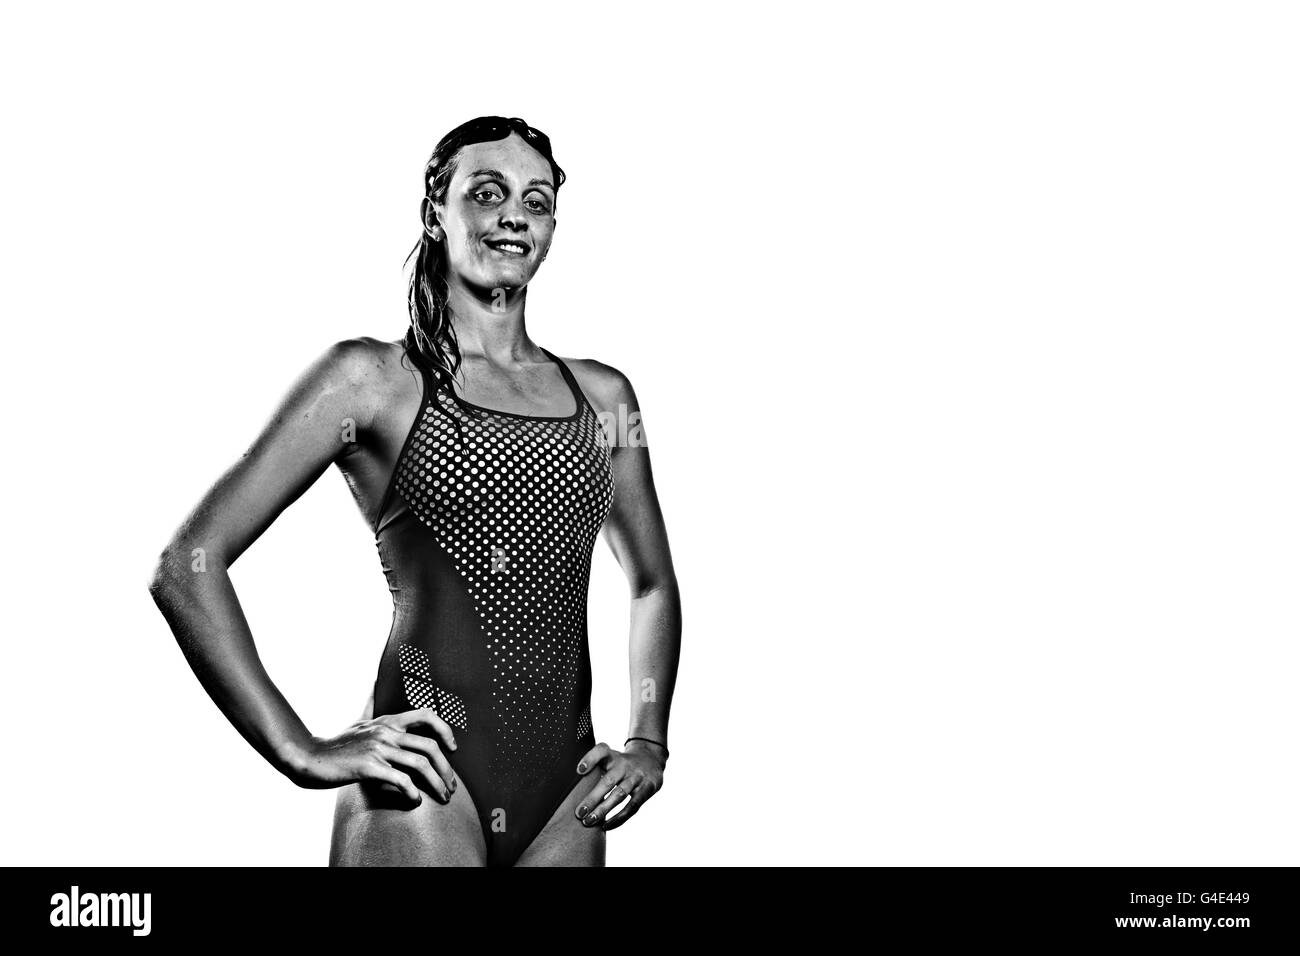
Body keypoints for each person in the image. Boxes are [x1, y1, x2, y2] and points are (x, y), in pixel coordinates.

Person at [148, 116, 681, 867]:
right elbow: (187, 564)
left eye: (536, 201)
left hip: (569, 796)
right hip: (424, 780)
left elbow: (652, 582)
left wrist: (648, 739)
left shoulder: (606, 398)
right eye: (487, 193)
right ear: (436, 212)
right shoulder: (369, 381)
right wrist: (299, 750)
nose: (512, 217)